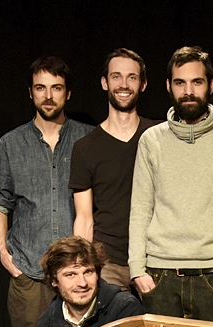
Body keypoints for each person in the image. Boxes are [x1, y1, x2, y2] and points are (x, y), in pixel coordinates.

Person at [0, 56, 92, 327]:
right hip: (29, 271)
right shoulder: (10, 143)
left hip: (77, 273)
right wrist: (4, 253)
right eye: (40, 88)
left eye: (56, 88)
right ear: (30, 93)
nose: (48, 96)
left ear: (68, 93)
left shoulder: (89, 138)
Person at [128, 46, 213, 323]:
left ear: (211, 85)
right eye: (180, 83)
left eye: (197, 82)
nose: (188, 91)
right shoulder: (151, 140)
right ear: (168, 86)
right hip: (159, 277)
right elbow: (140, 208)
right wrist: (137, 269)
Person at [69, 49, 159, 289]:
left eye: (132, 77)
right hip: (108, 263)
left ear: (143, 84)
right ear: (104, 82)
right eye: (116, 76)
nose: (124, 84)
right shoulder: (85, 147)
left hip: (155, 260)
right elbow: (84, 218)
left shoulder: (159, 137)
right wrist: (82, 268)